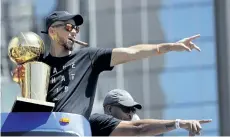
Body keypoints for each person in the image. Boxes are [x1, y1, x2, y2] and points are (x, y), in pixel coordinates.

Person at [12, 10, 201, 119]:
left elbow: (132, 52)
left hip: (72, 130)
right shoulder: (38, 66)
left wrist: (169, 46)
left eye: (76, 28)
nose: (75, 32)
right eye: (69, 27)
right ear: (52, 30)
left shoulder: (89, 57)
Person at [89, 89, 212, 136]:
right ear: (109, 109)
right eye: (126, 109)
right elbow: (139, 128)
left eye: (133, 110)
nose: (130, 114)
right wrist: (179, 123)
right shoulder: (97, 122)